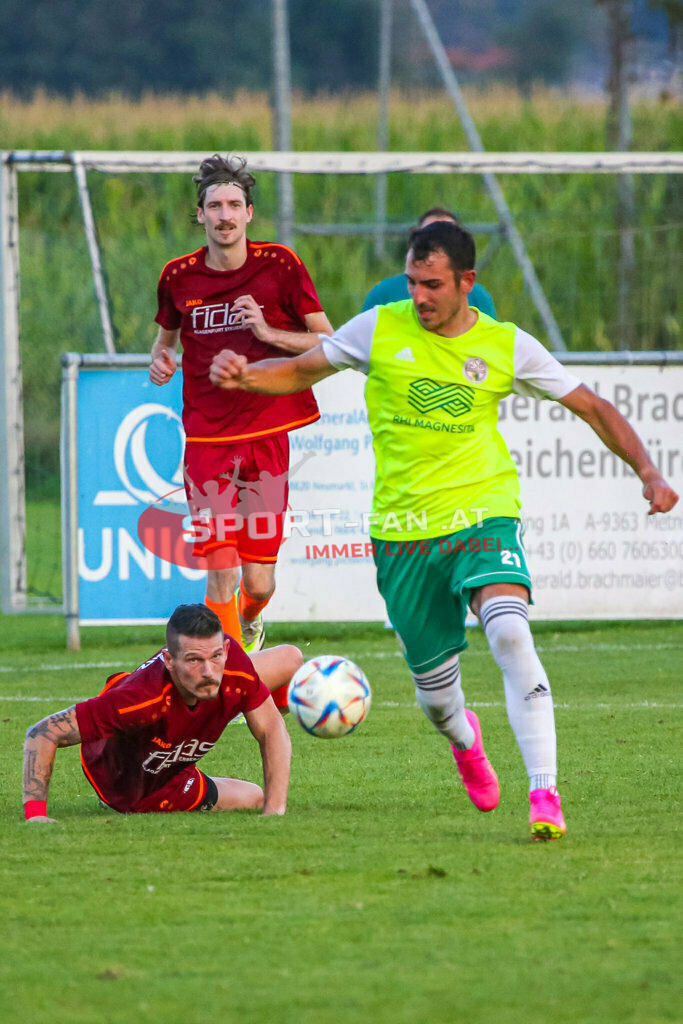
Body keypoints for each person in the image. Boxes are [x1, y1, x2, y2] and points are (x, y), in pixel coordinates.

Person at [208, 220, 679, 841]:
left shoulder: (505, 344)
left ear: (466, 282)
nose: (419, 295)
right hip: (402, 536)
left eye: (432, 284)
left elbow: (591, 405)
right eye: (412, 281)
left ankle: (544, 793)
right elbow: (301, 371)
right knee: (437, 698)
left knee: (509, 633)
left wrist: (648, 471)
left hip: (482, 515)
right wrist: (248, 376)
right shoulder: (379, 328)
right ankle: (464, 739)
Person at [149, 153, 333, 662]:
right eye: (215, 206)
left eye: (234, 205)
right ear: (201, 214)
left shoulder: (280, 265)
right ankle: (233, 678)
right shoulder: (178, 276)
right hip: (208, 441)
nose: (224, 215)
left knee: (258, 582)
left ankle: (250, 619)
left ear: (249, 213)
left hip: (267, 435)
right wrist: (161, 360)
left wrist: (267, 331)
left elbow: (329, 342)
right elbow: (164, 343)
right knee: (221, 569)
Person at [22, 603, 300, 821]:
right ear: (169, 660)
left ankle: (252, 700)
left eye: (216, 656)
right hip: (135, 787)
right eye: (194, 660)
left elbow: (271, 728)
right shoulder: (139, 701)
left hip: (176, 750)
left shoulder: (231, 664)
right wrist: (36, 816)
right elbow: (43, 732)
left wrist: (274, 813)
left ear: (226, 649)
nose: (209, 672)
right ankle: (246, 702)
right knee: (251, 796)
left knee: (291, 657)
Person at [362, 206, 497, 319]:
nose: (419, 298)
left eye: (434, 285)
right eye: (429, 235)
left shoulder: (478, 296)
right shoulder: (383, 293)